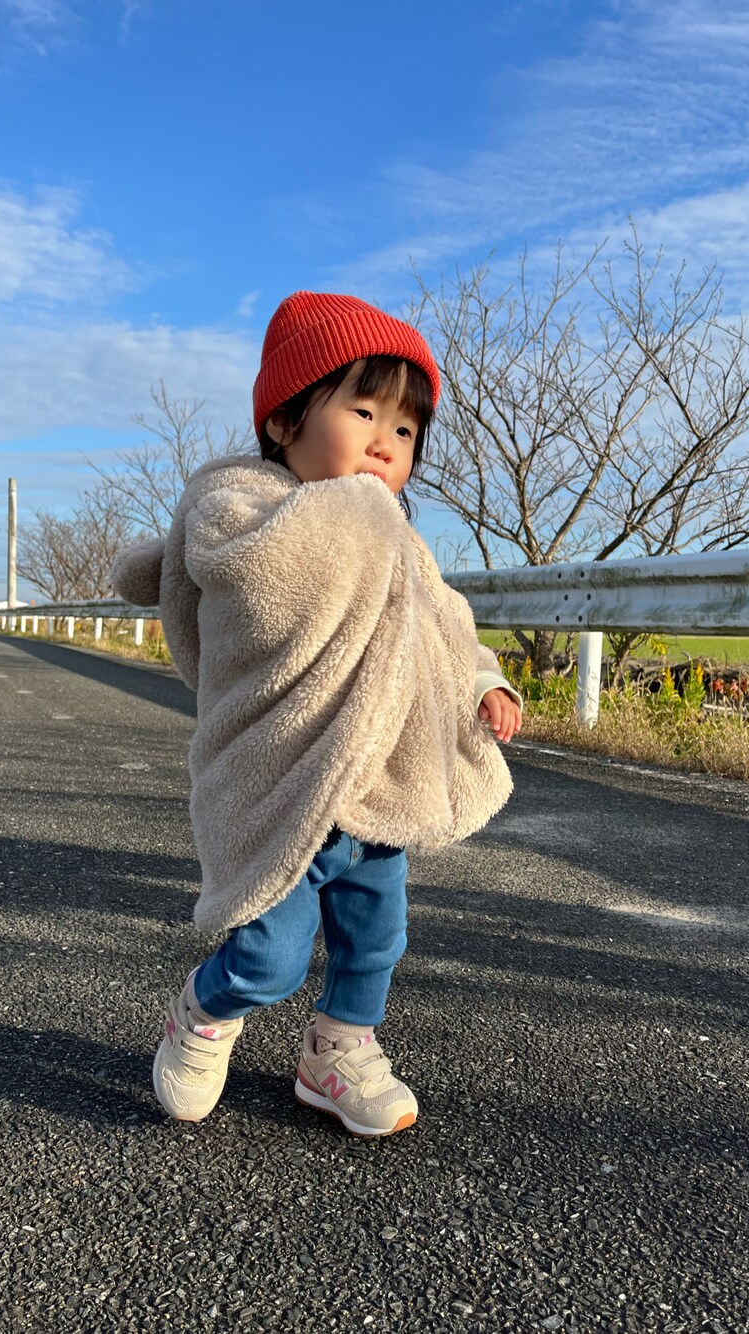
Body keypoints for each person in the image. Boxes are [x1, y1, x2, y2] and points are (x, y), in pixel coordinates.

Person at [111, 291, 523, 1138]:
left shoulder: (397, 542)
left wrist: (482, 681)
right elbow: (263, 586)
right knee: (269, 955)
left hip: (376, 786)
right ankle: (203, 1012)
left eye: (406, 428)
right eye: (363, 411)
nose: (385, 442)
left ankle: (337, 1052)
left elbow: (441, 623)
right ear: (284, 422)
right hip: (283, 780)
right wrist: (359, 515)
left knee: (376, 941)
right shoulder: (238, 508)